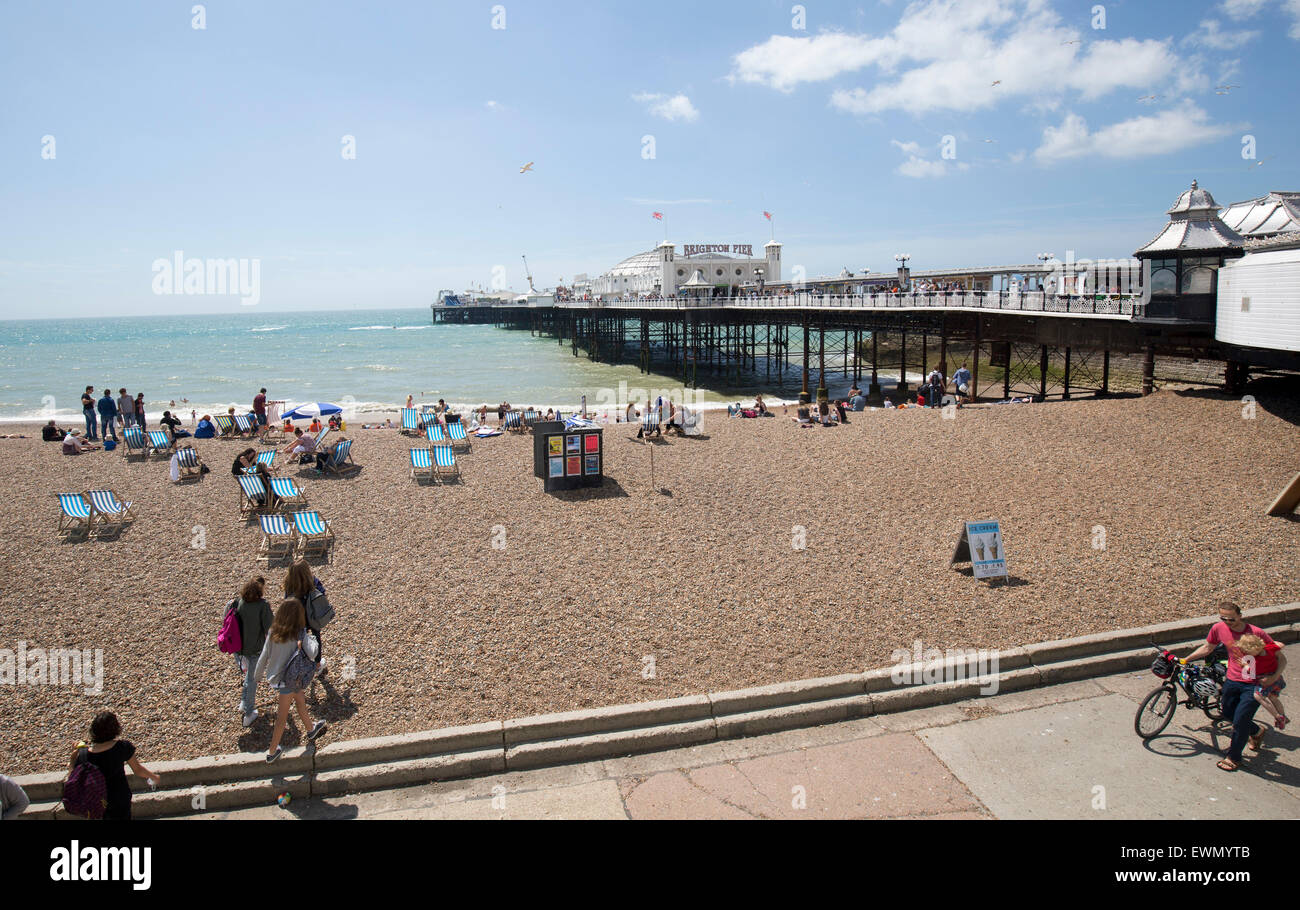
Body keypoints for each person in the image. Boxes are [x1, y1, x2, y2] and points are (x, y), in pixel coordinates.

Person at [1181, 603, 1285, 772]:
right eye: (1224, 618)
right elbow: (1208, 647)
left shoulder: (1257, 633)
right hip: (1233, 680)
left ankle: (1233, 757)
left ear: (1240, 615)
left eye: (1232, 619)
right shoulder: (1218, 628)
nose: (1228, 622)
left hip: (1254, 685)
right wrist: (1186, 659)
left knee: (1240, 721)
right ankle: (1257, 731)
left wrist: (1272, 677)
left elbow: (1281, 659)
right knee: (1227, 713)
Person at [253, 599, 328, 762]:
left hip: (278, 678)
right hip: (290, 679)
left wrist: (257, 676)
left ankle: (311, 729)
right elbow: (313, 652)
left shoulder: (273, 632)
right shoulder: (299, 633)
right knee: (281, 718)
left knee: (300, 700)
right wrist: (312, 637)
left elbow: (264, 656)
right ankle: (272, 752)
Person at [68, 712, 161, 819]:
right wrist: (153, 776)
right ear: (116, 729)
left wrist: (72, 760)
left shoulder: (84, 754)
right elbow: (138, 769)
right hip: (119, 799)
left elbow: (72, 779)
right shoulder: (122, 747)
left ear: (93, 731)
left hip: (96, 801)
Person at [233, 576, 274, 727]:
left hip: (240, 648)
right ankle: (249, 713)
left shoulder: (240, 602)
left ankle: (244, 702)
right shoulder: (262, 606)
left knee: (248, 676)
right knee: (253, 680)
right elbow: (270, 627)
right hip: (255, 648)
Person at [285, 560, 328, 675]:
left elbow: (286, 600)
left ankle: (300, 664)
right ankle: (318, 664)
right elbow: (322, 593)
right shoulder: (312, 581)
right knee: (316, 636)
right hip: (312, 615)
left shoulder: (289, 584)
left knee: (299, 639)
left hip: (297, 617)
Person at [1238, 634, 1288, 730]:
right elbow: (1281, 644)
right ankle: (1283, 715)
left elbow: (1251, 672)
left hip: (1265, 678)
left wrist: (1244, 666)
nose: (1245, 653)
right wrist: (1276, 644)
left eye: (1247, 651)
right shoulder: (1270, 648)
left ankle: (1278, 717)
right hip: (1277, 679)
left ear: (1255, 649)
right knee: (1273, 697)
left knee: (1258, 696)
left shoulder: (1256, 661)